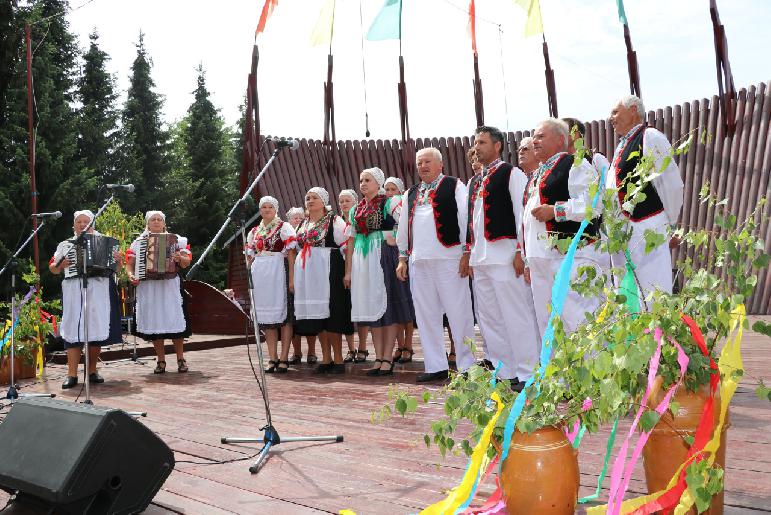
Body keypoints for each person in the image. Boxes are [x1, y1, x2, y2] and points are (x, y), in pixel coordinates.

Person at [396, 148, 476, 382]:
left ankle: (468, 365)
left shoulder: (454, 185)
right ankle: (435, 365)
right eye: (420, 163)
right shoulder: (410, 193)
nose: (423, 166)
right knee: (425, 315)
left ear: (440, 164)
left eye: (427, 162)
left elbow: (465, 217)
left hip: (449, 257)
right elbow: (403, 227)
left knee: (458, 312)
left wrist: (466, 252)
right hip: (419, 260)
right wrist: (402, 258)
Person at [469, 126, 540, 387]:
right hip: (482, 258)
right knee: (490, 318)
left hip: (506, 254)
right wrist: (471, 254)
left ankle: (528, 372)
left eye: (483, 142)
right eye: (476, 142)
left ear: (498, 145)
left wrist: (522, 251)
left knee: (516, 314)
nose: (477, 147)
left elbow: (522, 214)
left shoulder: (511, 174)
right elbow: (472, 221)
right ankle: (504, 370)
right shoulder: (476, 180)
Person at [523, 118, 604, 339]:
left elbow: (594, 204)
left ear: (560, 140)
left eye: (541, 136)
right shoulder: (537, 174)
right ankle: (556, 374)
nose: (535, 141)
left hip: (570, 257)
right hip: (540, 259)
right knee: (547, 324)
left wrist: (557, 211)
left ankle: (589, 373)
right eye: (534, 136)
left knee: (577, 320)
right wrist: (528, 260)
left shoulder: (576, 164)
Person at [608, 95, 684, 297]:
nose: (611, 118)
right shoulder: (622, 146)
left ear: (633, 110)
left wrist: (670, 225)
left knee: (652, 292)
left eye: (615, 112)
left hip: (647, 228)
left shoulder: (650, 136)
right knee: (627, 296)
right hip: (624, 233)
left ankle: (655, 330)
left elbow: (670, 183)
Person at [344, 168, 415, 376]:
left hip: (383, 254)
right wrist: (348, 271)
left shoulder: (389, 202)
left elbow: (406, 223)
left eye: (368, 180)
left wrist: (393, 235)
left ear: (378, 183)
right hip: (362, 258)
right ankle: (379, 357)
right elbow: (350, 240)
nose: (363, 183)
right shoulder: (355, 209)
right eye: (361, 180)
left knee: (387, 305)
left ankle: (387, 357)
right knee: (371, 306)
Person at [50, 210, 123, 389]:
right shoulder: (65, 245)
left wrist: (119, 261)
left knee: (95, 330)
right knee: (74, 330)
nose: (83, 224)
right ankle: (72, 374)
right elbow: (53, 267)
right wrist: (60, 265)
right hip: (74, 289)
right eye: (79, 222)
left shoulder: (106, 242)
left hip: (99, 289)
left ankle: (91, 371)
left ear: (93, 224)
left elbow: (117, 269)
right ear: (74, 225)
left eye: (86, 221)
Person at [294, 187, 353, 374]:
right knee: (318, 317)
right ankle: (325, 358)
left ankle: (338, 359)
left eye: (314, 198)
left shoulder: (334, 221)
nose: (310, 200)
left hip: (329, 270)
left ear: (324, 201)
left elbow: (347, 247)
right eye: (308, 198)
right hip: (309, 275)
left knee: (332, 316)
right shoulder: (302, 223)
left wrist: (347, 272)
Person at [126, 211, 192, 374]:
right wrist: (131, 275)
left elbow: (186, 263)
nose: (156, 222)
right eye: (153, 220)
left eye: (159, 219)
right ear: (147, 224)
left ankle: (180, 359)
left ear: (164, 223)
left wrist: (179, 259)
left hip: (169, 286)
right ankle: (160, 360)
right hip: (148, 287)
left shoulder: (177, 240)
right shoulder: (138, 243)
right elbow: (130, 264)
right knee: (155, 324)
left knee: (175, 321)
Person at [245, 196, 297, 373]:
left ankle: (283, 357)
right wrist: (249, 278)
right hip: (260, 275)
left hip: (278, 272)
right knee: (267, 319)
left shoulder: (284, 227)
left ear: (276, 209)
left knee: (285, 316)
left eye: (270, 207)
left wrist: (291, 278)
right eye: (263, 207)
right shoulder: (254, 231)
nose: (266, 210)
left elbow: (290, 253)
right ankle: (272, 357)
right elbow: (250, 257)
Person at [383, 176, 417, 365]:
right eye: (386, 189)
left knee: (405, 301)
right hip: (388, 254)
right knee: (394, 301)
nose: (389, 193)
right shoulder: (384, 207)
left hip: (400, 254)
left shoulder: (400, 206)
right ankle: (400, 344)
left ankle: (409, 345)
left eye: (392, 189)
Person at [338, 189, 368, 364]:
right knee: (346, 309)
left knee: (361, 306)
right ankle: (350, 348)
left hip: (359, 264)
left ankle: (363, 347)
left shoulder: (360, 218)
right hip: (340, 269)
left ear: (355, 202)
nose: (344, 204)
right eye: (341, 201)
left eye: (347, 200)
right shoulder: (336, 222)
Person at [286, 206, 316, 364]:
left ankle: (312, 352)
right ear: (289, 220)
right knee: (293, 319)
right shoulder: (286, 234)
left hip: (307, 276)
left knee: (309, 317)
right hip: (290, 278)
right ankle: (296, 352)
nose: (297, 220)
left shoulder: (306, 233)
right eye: (294, 217)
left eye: (300, 217)